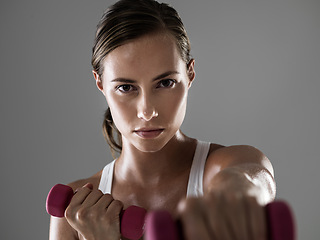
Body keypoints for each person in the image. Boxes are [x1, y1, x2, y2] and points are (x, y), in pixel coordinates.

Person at [49, 0, 276, 239]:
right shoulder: (75, 210)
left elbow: (254, 179)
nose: (147, 111)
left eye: (165, 83)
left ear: (189, 74)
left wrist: (237, 191)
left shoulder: (227, 165)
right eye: (126, 87)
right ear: (100, 83)